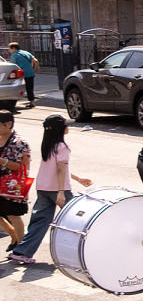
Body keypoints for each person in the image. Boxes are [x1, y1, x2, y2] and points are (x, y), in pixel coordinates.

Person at [6, 113, 91, 264]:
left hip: (43, 187)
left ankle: (21, 252)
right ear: (60, 129)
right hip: (58, 189)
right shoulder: (62, 147)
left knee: (40, 221)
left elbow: (59, 168)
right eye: (66, 125)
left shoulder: (48, 145)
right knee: (78, 220)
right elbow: (60, 169)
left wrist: (78, 179)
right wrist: (61, 192)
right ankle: (84, 251)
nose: (68, 127)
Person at [0, 111, 32, 251]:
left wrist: (3, 162)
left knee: (13, 215)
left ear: (8, 124)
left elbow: (24, 168)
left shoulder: (19, 143)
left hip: (12, 185)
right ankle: (13, 235)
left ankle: (20, 246)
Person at [7, 42, 36, 106]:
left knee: (17, 88)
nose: (9, 50)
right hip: (30, 73)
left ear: (14, 48)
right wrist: (32, 68)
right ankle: (32, 102)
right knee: (30, 88)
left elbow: (12, 66)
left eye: (9, 49)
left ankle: (13, 102)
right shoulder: (26, 52)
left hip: (21, 75)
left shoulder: (14, 55)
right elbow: (35, 60)